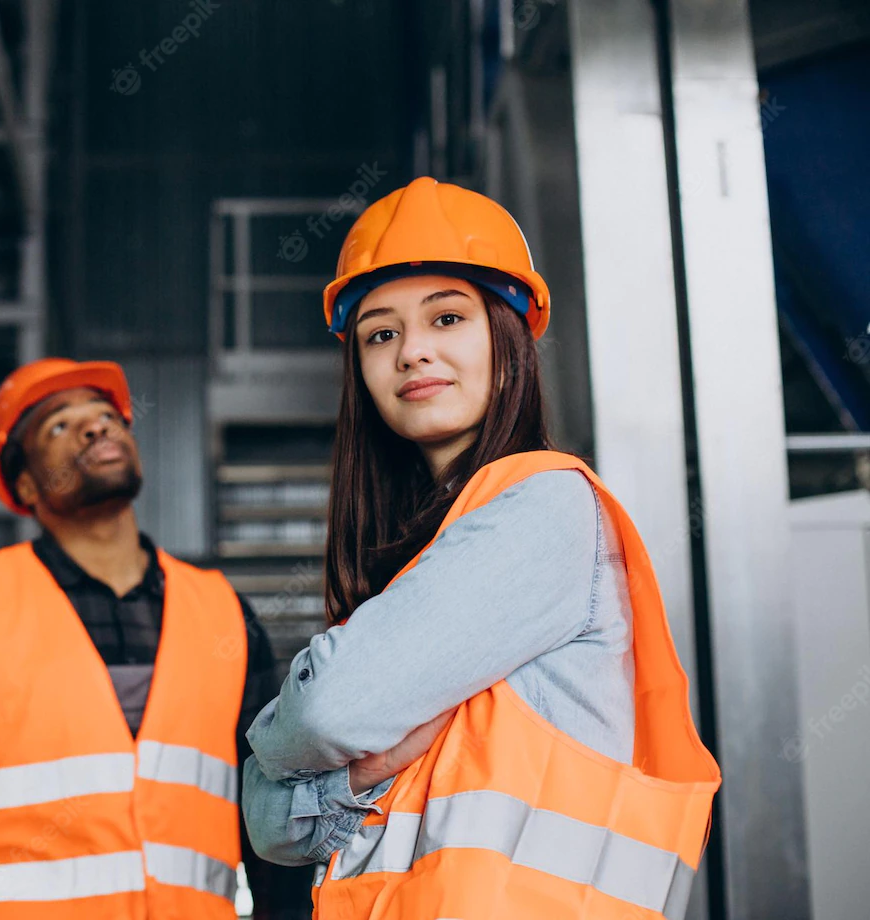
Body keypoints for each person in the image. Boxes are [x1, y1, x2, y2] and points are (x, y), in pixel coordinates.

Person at [241, 178, 721, 919]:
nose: (412, 352)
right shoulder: (426, 553)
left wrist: (276, 747)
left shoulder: (545, 508)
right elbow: (270, 829)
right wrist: (351, 767)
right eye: (381, 333)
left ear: (510, 336)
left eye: (448, 317)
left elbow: (333, 707)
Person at [0, 357, 312, 919]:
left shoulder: (223, 614)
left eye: (105, 416)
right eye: (60, 425)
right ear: (24, 483)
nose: (96, 427)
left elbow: (272, 820)